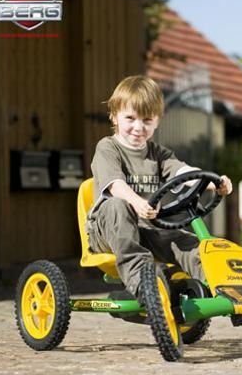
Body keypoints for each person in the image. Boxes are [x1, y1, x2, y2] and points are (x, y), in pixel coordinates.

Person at [86, 75, 233, 301]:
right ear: (114, 116)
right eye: (130, 118)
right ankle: (143, 283)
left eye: (146, 120)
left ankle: (224, 291)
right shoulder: (108, 147)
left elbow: (183, 173)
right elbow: (115, 185)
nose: (138, 127)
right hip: (108, 230)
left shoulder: (159, 153)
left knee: (191, 244)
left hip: (148, 228)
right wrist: (136, 202)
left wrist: (214, 183)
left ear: (157, 121)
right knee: (117, 206)